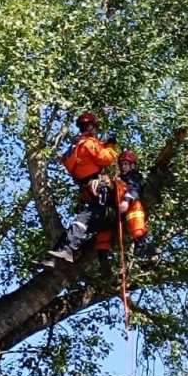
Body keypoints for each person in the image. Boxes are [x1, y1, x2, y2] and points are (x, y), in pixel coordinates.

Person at [46, 112, 118, 263]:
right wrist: (111, 147)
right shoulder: (89, 143)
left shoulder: (77, 146)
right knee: (83, 219)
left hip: (90, 193)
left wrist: (103, 145)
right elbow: (105, 159)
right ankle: (65, 251)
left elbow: (85, 163)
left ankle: (57, 255)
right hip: (98, 193)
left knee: (81, 221)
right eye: (94, 127)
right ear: (91, 127)